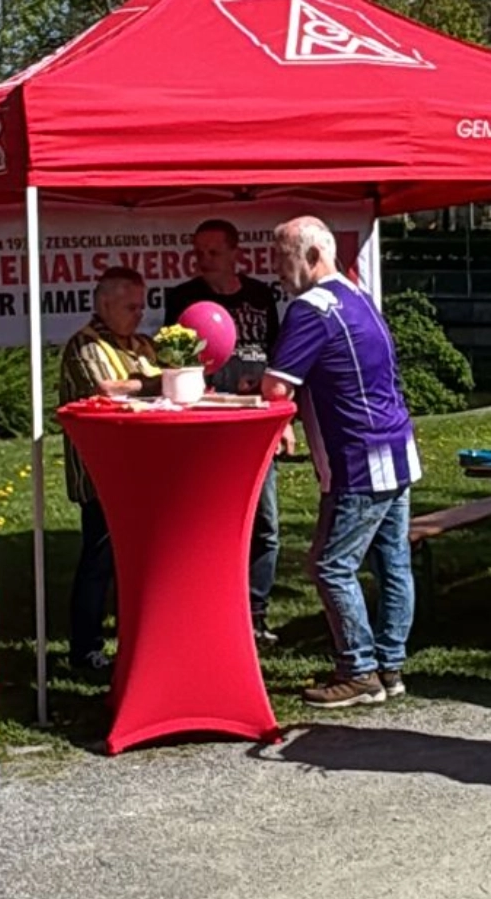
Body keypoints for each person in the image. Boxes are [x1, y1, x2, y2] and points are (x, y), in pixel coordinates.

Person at [262, 215, 419, 708]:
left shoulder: (311, 308)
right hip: (397, 447)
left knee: (331, 566)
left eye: (282, 258)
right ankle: (390, 666)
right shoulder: (358, 296)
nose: (276, 271)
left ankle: (359, 669)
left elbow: (276, 386)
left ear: (312, 256)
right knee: (393, 562)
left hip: (357, 454)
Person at [164, 219, 289, 646]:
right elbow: (173, 362)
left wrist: (283, 419)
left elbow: (277, 358)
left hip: (256, 424)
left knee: (264, 523)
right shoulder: (183, 300)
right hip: (206, 427)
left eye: (213, 252)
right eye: (198, 251)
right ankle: (209, 609)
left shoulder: (259, 296)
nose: (203, 260)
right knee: (205, 521)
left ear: (236, 253)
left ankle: (255, 613)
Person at [58, 266, 160, 677]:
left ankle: (139, 640)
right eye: (130, 306)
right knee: (99, 561)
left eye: (142, 305)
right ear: (103, 304)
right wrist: (156, 382)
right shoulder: (84, 345)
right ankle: (85, 649)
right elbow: (106, 389)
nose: (139, 313)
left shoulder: (145, 344)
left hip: (145, 472)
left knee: (139, 561)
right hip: (101, 475)